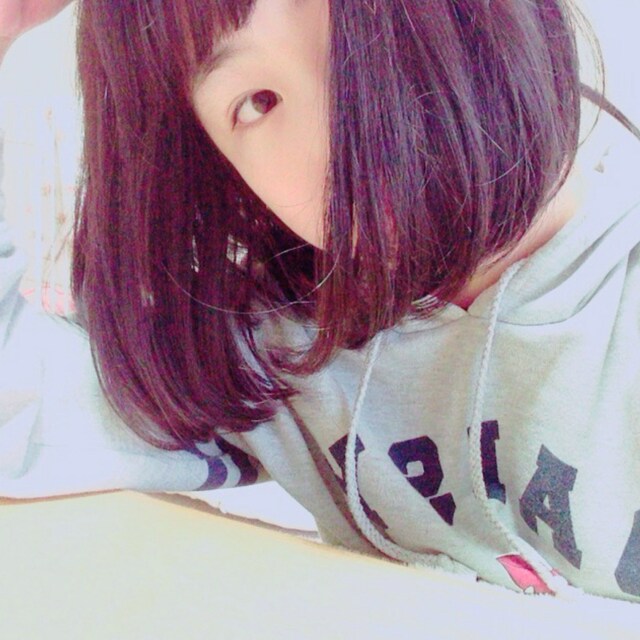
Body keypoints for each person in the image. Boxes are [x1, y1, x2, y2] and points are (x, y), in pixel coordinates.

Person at [1, 0, 640, 602]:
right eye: (257, 102)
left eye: (351, 25)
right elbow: (20, 411)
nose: (338, 125)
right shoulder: (280, 360)